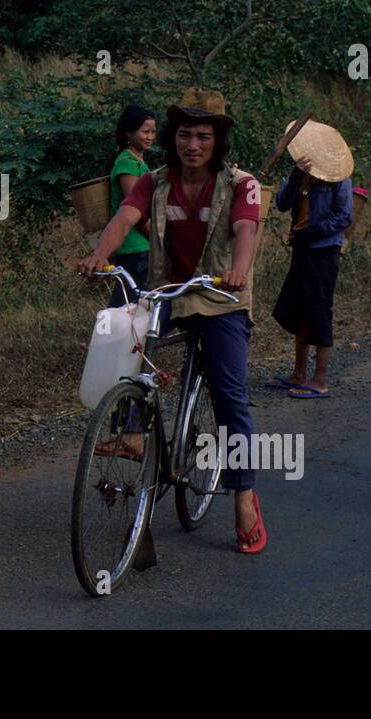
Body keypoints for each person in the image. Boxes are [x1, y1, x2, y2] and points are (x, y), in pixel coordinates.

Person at [79, 89, 267, 554]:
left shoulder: (240, 183)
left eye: (204, 136)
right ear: (173, 137)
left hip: (222, 295)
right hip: (167, 291)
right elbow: (124, 219)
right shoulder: (154, 181)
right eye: (185, 134)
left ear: (217, 141)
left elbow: (246, 229)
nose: (193, 145)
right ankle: (134, 433)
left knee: (229, 395)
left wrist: (241, 269)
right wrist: (100, 254)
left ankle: (243, 491)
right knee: (127, 347)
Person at [266, 134, 354, 399]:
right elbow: (282, 203)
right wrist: (295, 176)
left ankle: (320, 380)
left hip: (324, 250)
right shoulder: (302, 173)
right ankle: (299, 373)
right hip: (302, 248)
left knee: (319, 308)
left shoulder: (339, 180)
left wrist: (313, 231)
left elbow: (344, 217)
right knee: (298, 309)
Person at [106, 105, 157, 308]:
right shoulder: (127, 163)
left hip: (140, 248)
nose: (150, 136)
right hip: (136, 248)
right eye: (145, 131)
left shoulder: (138, 163)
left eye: (153, 132)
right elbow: (136, 211)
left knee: (136, 306)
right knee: (127, 308)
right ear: (129, 132)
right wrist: (157, 238)